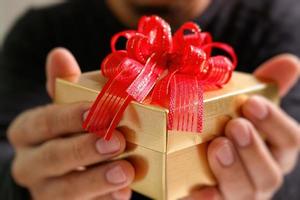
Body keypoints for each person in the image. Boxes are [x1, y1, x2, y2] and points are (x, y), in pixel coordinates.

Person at [0, 0, 299, 199]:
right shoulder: (40, 33)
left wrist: (282, 182)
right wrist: (22, 182)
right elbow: (5, 150)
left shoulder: (280, 25)